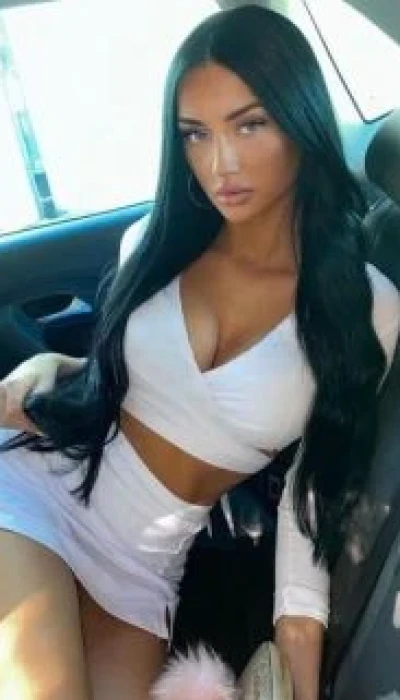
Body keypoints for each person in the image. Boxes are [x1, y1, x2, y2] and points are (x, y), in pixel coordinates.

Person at [0, 5, 399, 699]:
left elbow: (311, 491)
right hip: (42, 495)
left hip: (143, 571)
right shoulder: (153, 244)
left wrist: (300, 661)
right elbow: (125, 380)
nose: (221, 164)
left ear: (300, 119)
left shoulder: (366, 306)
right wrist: (50, 365)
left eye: (250, 124)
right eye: (196, 133)